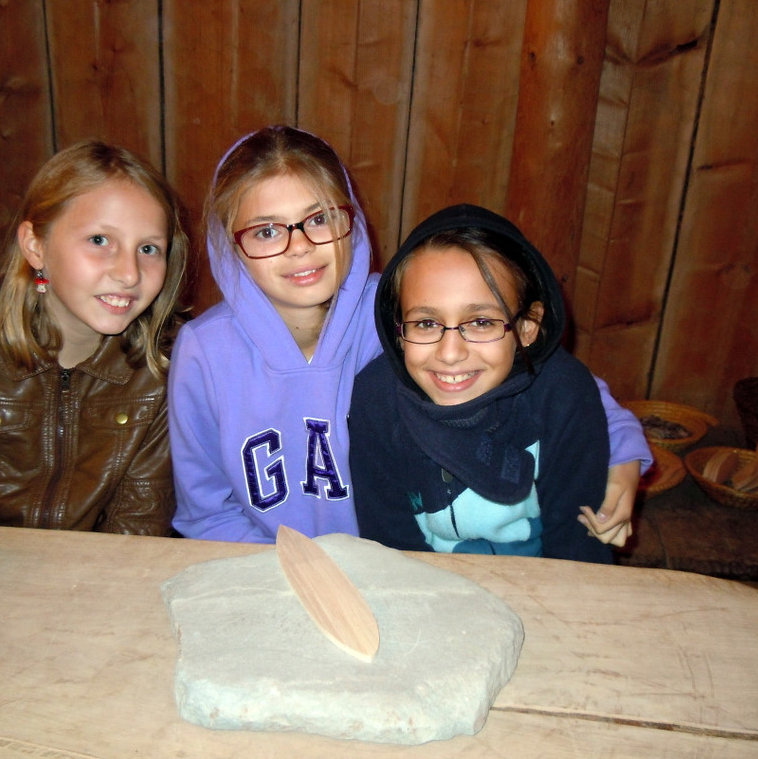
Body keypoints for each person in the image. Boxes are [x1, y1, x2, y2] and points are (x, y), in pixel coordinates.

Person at [169, 125, 648, 544]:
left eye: (319, 219)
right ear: (228, 244)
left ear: (352, 220)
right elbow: (207, 512)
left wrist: (623, 455)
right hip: (267, 572)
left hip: (398, 565)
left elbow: (552, 381)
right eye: (266, 231)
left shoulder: (407, 316)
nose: (299, 247)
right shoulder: (203, 354)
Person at [0, 140, 188, 536]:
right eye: (99, 240)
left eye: (148, 248)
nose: (129, 273)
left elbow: (137, 528)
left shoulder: (166, 367)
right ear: (35, 246)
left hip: (110, 568)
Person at [349, 203, 646, 563]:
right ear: (398, 330)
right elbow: (388, 544)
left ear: (527, 327)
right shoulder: (374, 400)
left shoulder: (565, 395)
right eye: (426, 323)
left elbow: (577, 552)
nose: (450, 353)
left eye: (481, 323)